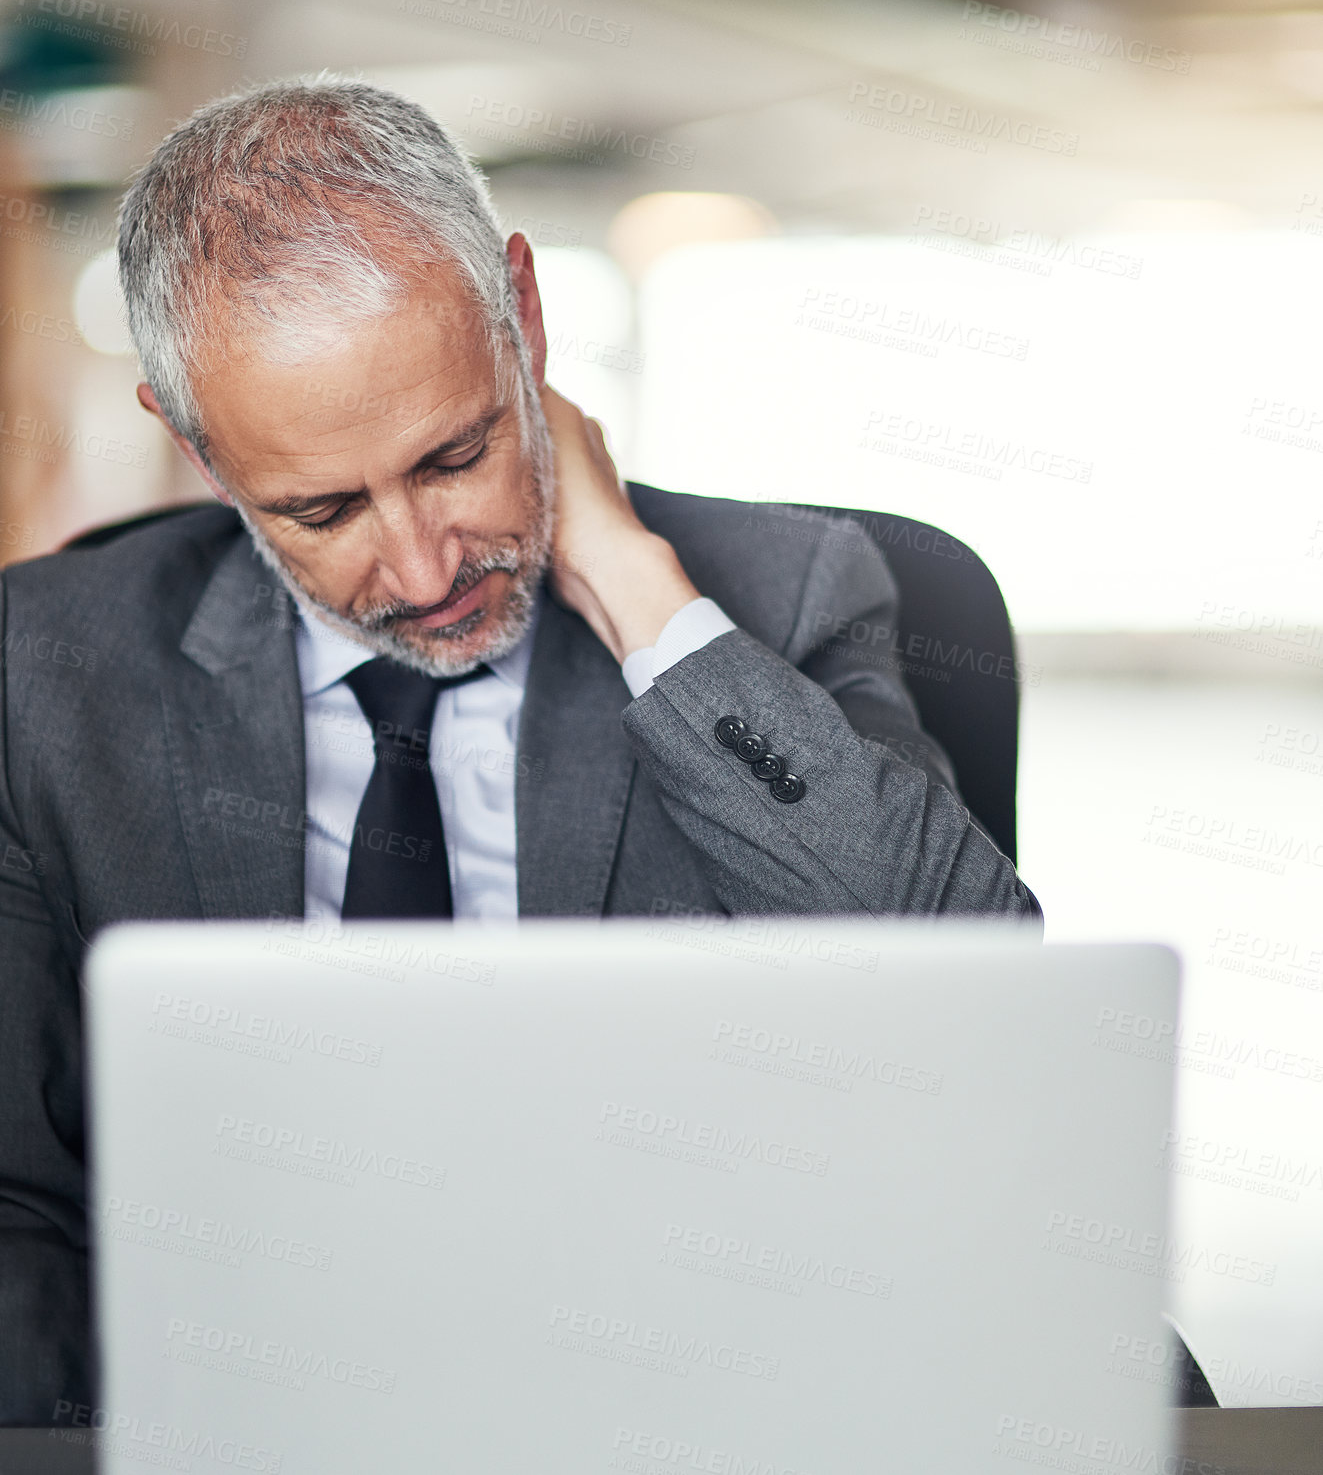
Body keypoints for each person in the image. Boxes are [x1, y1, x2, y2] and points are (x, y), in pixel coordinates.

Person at [0, 75, 1039, 1424]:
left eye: (456, 455)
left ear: (525, 315)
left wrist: (631, 588)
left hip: (687, 1391)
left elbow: (977, 1003)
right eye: (320, 509)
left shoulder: (778, 596)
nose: (422, 566)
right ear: (191, 442)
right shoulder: (45, 675)